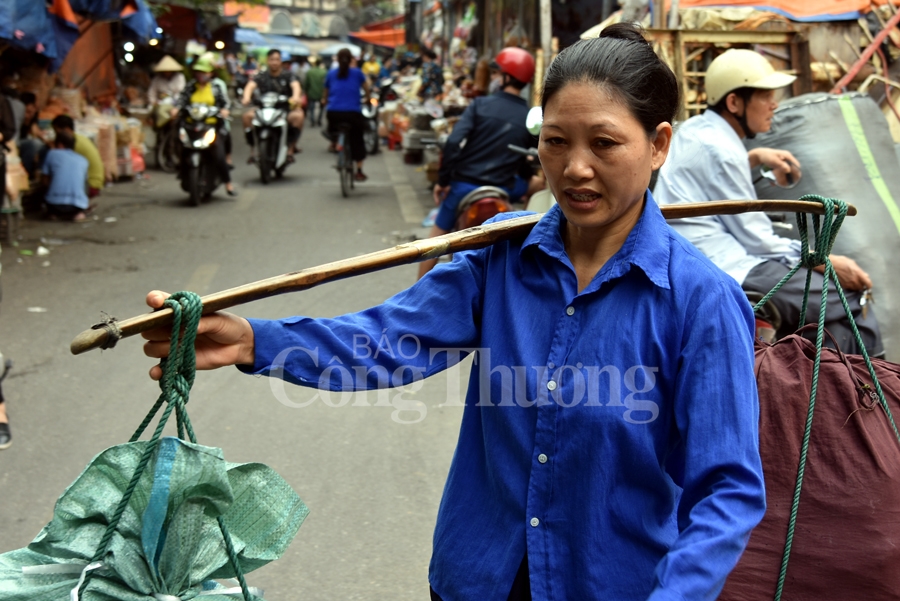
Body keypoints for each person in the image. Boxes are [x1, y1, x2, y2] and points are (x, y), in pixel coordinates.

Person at [143, 23, 766, 601]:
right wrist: (252, 340)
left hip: (613, 583)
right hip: (478, 575)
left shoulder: (701, 301)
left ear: (658, 145)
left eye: (604, 143)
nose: (575, 168)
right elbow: (387, 340)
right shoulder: (500, 255)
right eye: (555, 141)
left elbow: (727, 489)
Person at [653, 48, 882, 356]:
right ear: (734, 103)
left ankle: (811, 376)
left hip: (691, 256)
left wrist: (752, 158)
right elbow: (758, 240)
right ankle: (854, 383)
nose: (774, 104)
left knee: (824, 316)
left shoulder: (697, 130)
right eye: (765, 96)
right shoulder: (723, 150)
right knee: (850, 298)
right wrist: (823, 260)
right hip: (727, 265)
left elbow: (708, 177)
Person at [416, 46, 536, 279]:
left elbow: (453, 143)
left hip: (464, 187)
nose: (493, 78)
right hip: (504, 188)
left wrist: (443, 181)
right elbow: (529, 156)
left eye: (496, 73)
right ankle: (529, 227)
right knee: (538, 185)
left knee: (436, 238)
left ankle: (416, 288)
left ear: (506, 77)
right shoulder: (528, 116)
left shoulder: (480, 105)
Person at [173, 56, 236, 196]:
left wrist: (225, 110)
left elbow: (225, 103)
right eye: (199, 72)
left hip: (211, 126)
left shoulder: (216, 87)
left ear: (211, 73)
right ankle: (182, 172)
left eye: (204, 72)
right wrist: (176, 109)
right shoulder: (191, 86)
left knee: (218, 154)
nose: (201, 75)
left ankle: (228, 183)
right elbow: (182, 100)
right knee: (182, 145)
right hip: (192, 125)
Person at [241, 49, 305, 161]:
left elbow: (296, 86)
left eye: (277, 59)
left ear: (281, 61)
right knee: (247, 117)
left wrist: (295, 97)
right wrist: (246, 97)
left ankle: (290, 148)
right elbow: (250, 86)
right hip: (263, 109)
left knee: (298, 116)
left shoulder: (288, 75)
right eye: (272, 59)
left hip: (284, 109)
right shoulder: (261, 75)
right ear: (267, 60)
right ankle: (253, 150)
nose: (274, 62)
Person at [323, 48, 371, 182]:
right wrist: (367, 99)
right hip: (353, 114)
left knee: (332, 129)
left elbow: (325, 93)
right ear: (351, 60)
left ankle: (335, 142)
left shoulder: (331, 73)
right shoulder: (357, 73)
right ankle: (359, 171)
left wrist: (325, 101)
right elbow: (366, 88)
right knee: (357, 138)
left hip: (333, 114)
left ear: (337, 60)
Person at [51, 115, 105, 200]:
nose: (56, 135)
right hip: (95, 183)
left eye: (57, 132)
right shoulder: (79, 138)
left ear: (67, 129)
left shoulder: (74, 145)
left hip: (91, 186)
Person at [41, 131, 89, 221]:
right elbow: (85, 186)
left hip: (54, 205)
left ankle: (52, 214)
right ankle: (79, 213)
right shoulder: (83, 160)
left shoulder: (52, 153)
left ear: (59, 145)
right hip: (77, 205)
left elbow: (45, 181)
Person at [16, 92, 49, 179]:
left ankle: (39, 172)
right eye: (27, 112)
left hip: (24, 142)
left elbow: (36, 132)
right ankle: (26, 172)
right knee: (34, 144)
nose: (29, 115)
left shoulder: (33, 116)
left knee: (45, 147)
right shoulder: (17, 116)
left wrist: (48, 141)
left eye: (31, 112)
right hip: (16, 142)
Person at [303, 57, 327, 128]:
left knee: (311, 108)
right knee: (321, 108)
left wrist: (305, 91)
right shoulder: (324, 72)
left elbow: (306, 83)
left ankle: (312, 120)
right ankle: (319, 120)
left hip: (311, 92)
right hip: (321, 93)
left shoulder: (310, 72)